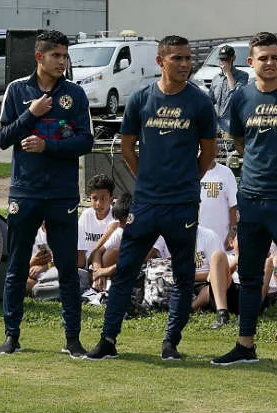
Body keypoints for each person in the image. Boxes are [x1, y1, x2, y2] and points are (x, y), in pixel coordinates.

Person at [86, 35, 216, 361]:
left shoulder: (200, 102)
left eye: (188, 59)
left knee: (184, 276)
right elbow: (127, 146)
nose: (185, 65)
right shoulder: (142, 97)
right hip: (145, 203)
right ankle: (108, 340)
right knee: (125, 269)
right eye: (177, 59)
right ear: (161, 61)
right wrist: (146, 178)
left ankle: (171, 343)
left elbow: (209, 154)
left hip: (182, 203)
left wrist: (186, 182)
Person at [211, 32, 277, 373]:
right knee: (248, 274)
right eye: (263, 58)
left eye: (275, 57)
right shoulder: (241, 97)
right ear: (250, 62)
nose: (270, 63)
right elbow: (242, 143)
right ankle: (245, 344)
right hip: (251, 198)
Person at [0, 30, 94, 357]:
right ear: (40, 57)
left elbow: (85, 142)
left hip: (62, 194)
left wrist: (47, 145)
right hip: (24, 192)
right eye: (57, 56)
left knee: (67, 269)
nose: (63, 62)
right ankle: (11, 336)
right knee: (17, 267)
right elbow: (3, 138)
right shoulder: (17, 90)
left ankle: (72, 340)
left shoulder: (75, 95)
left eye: (65, 56)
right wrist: (31, 114)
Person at [199, 143, 239, 261]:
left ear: (216, 151)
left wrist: (232, 234)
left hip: (222, 239)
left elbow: (234, 207)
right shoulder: (191, 172)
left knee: (222, 273)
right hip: (198, 240)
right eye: (201, 149)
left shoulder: (226, 173)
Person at [77, 174, 116, 269]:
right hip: (86, 262)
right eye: (95, 198)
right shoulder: (86, 215)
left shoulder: (116, 216)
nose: (99, 203)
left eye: (103, 198)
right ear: (90, 198)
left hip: (105, 261)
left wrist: (94, 260)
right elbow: (80, 247)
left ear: (111, 199)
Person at [209, 44, 248, 135]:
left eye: (226, 59)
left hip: (232, 126)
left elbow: (237, 95)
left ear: (233, 58)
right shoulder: (216, 79)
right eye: (221, 59)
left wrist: (228, 73)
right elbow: (209, 101)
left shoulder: (242, 76)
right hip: (217, 127)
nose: (223, 62)